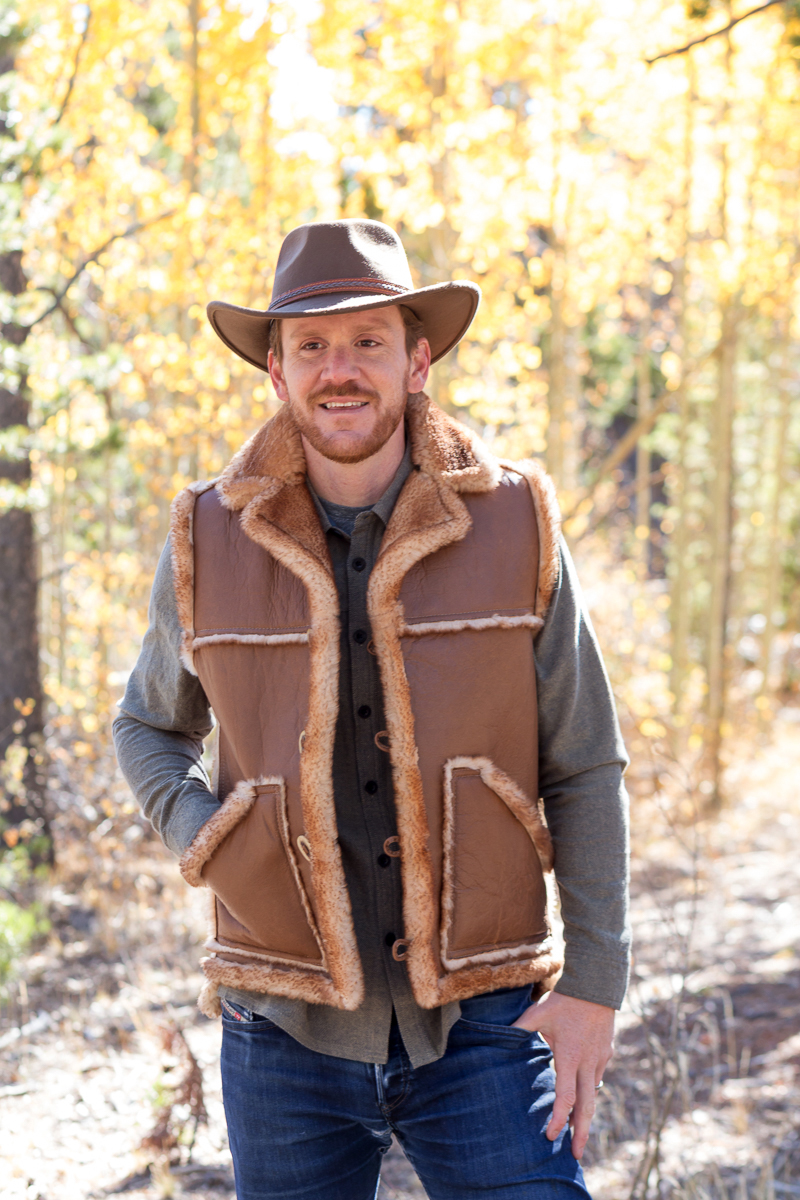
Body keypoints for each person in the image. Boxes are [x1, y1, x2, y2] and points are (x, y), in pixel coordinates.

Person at [113, 218, 630, 1200]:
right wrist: (205, 831)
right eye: (309, 344)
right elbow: (147, 725)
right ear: (275, 370)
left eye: (366, 341)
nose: (337, 369)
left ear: (417, 359)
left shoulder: (514, 519)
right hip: (280, 1032)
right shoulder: (206, 535)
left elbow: (584, 759)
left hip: (484, 1018)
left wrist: (594, 982)